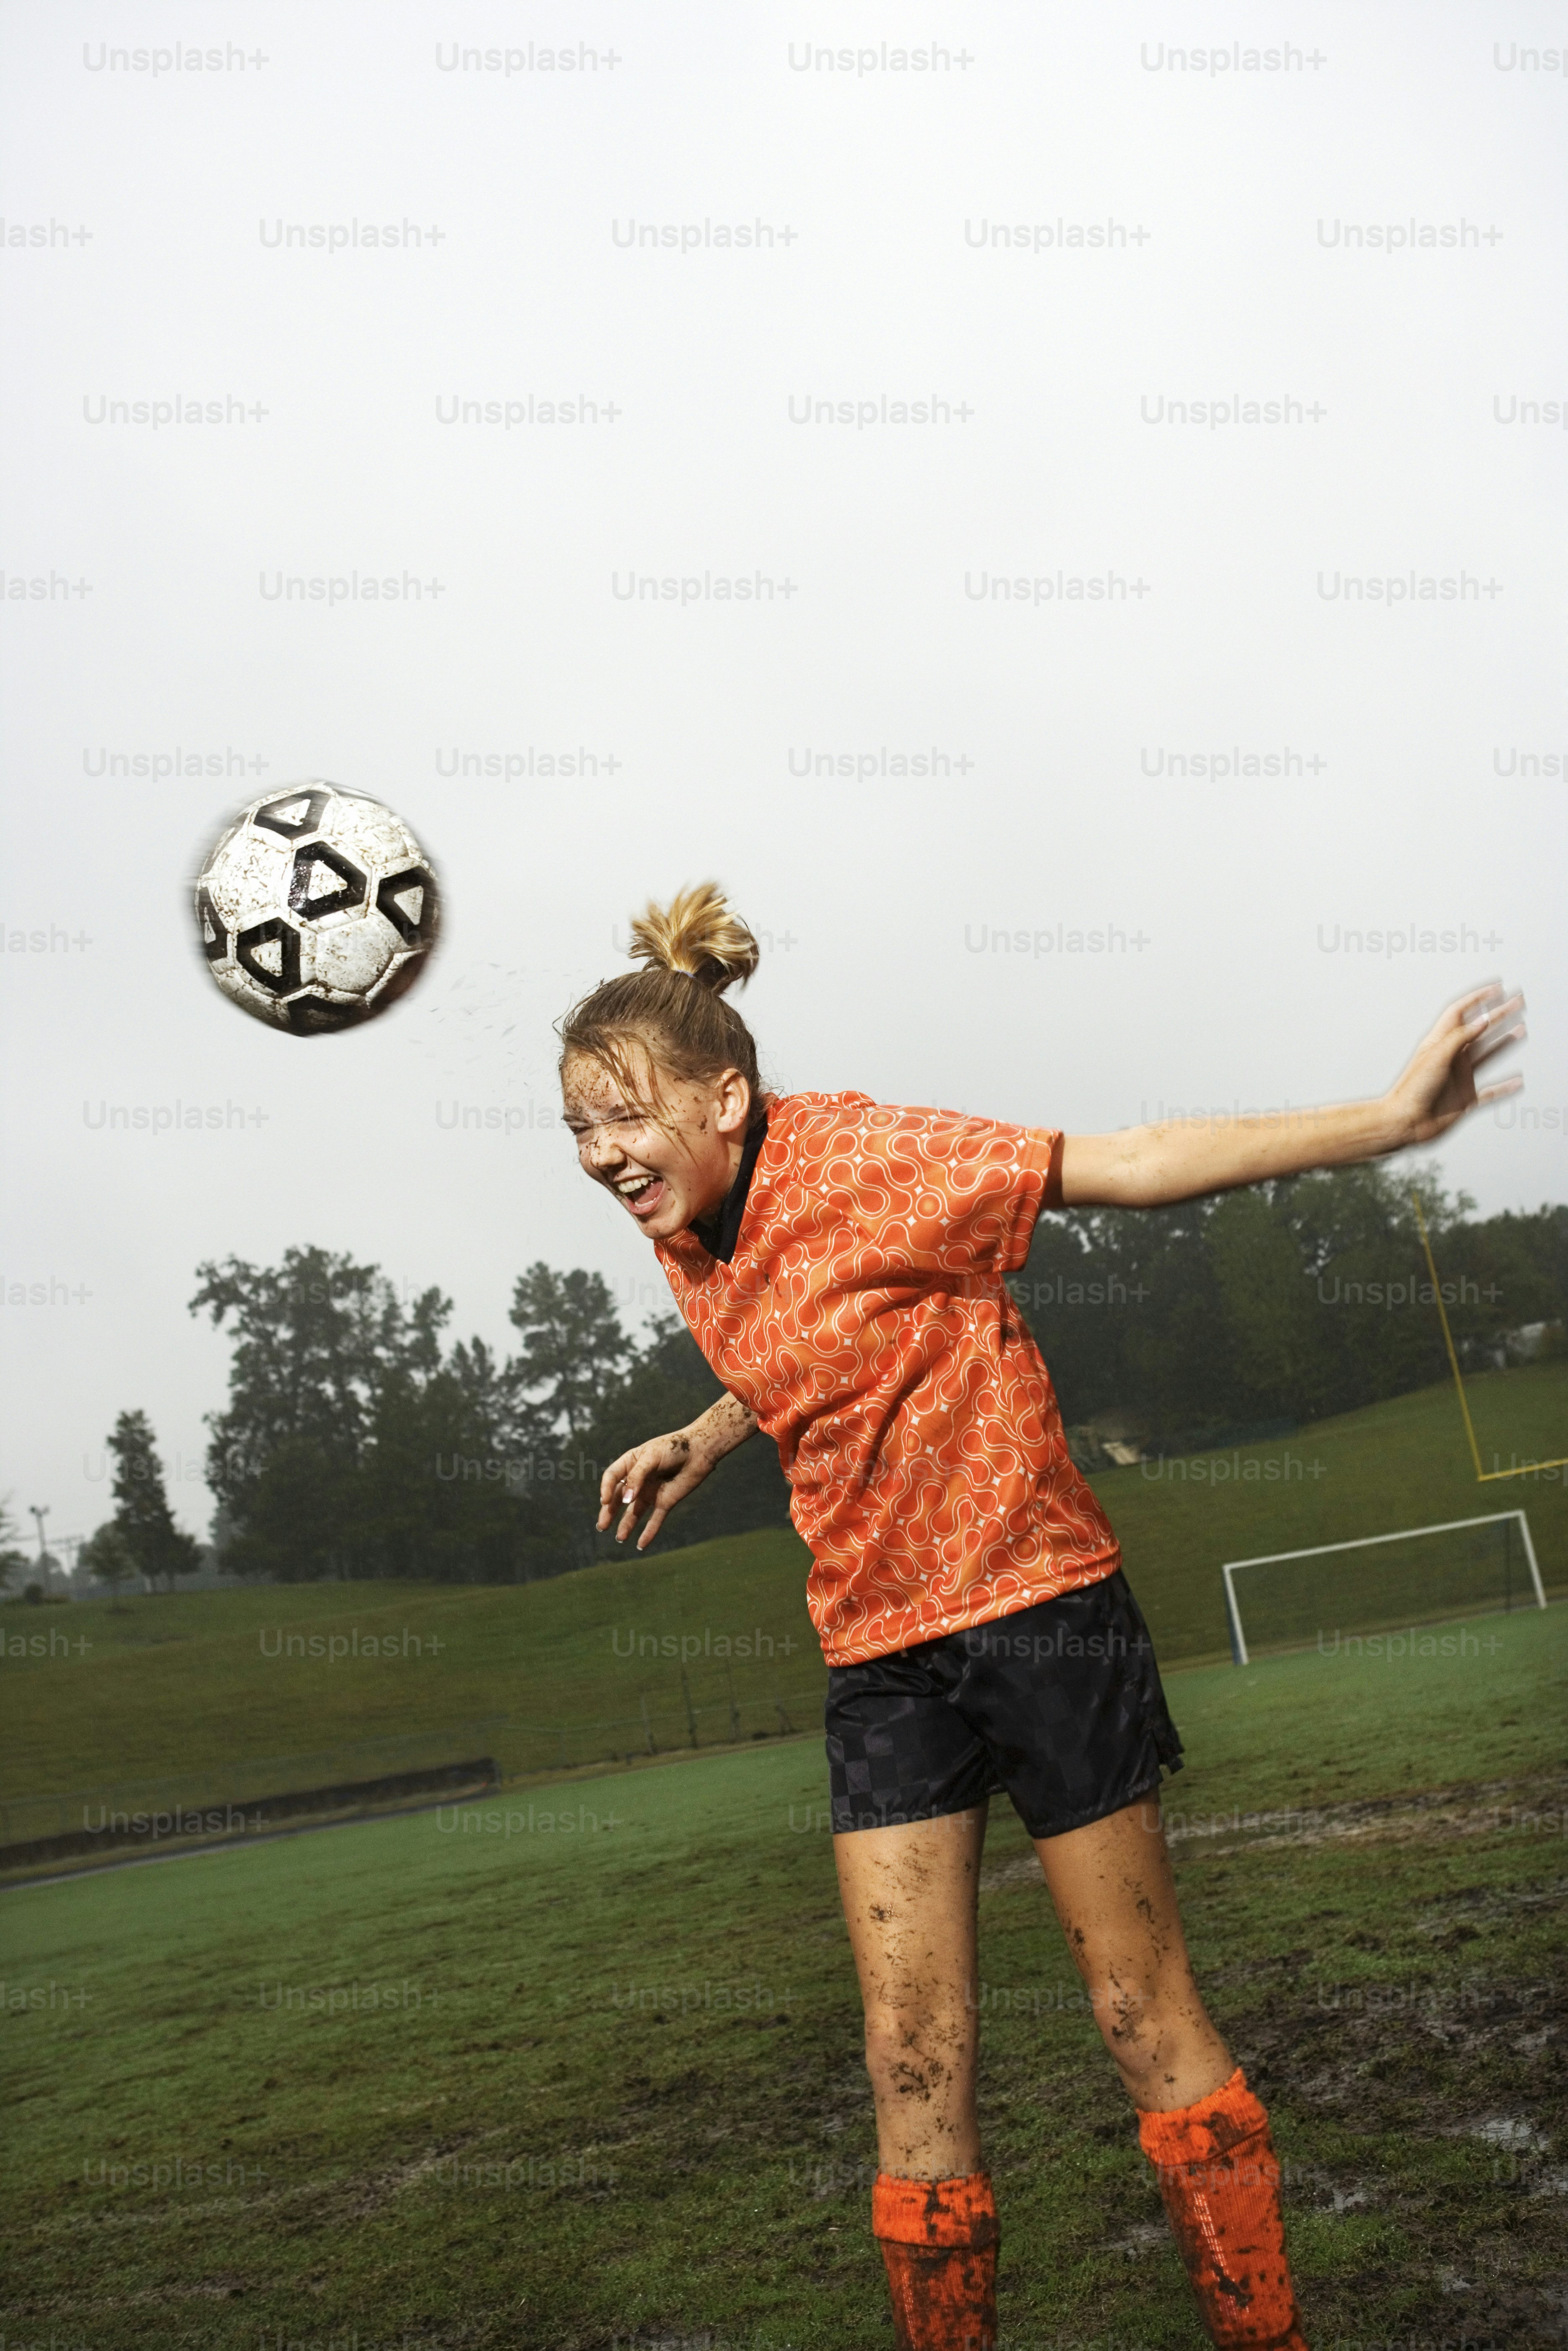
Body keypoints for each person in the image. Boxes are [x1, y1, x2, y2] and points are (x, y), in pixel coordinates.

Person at [557, 882, 1524, 2351]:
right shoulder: (683, 1219)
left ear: (729, 1098)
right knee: (910, 2060)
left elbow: (1125, 1163)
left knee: (1139, 2017)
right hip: (881, 1656)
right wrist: (713, 1429)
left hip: (1039, 1610)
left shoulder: (876, 1151)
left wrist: (1385, 1122)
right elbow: (818, 1326)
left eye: (623, 1118)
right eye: (575, 1129)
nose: (600, 1155)